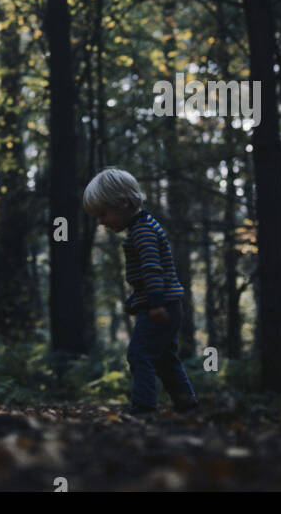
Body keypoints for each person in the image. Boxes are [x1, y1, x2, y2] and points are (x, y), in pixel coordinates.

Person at [83, 167, 198, 416]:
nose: (101, 221)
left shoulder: (143, 232)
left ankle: (144, 407)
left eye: (103, 214)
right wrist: (136, 300)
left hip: (162, 304)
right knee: (165, 357)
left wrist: (155, 303)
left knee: (139, 354)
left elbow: (152, 270)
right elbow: (147, 278)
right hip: (167, 303)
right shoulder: (143, 227)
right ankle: (186, 401)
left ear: (123, 203)